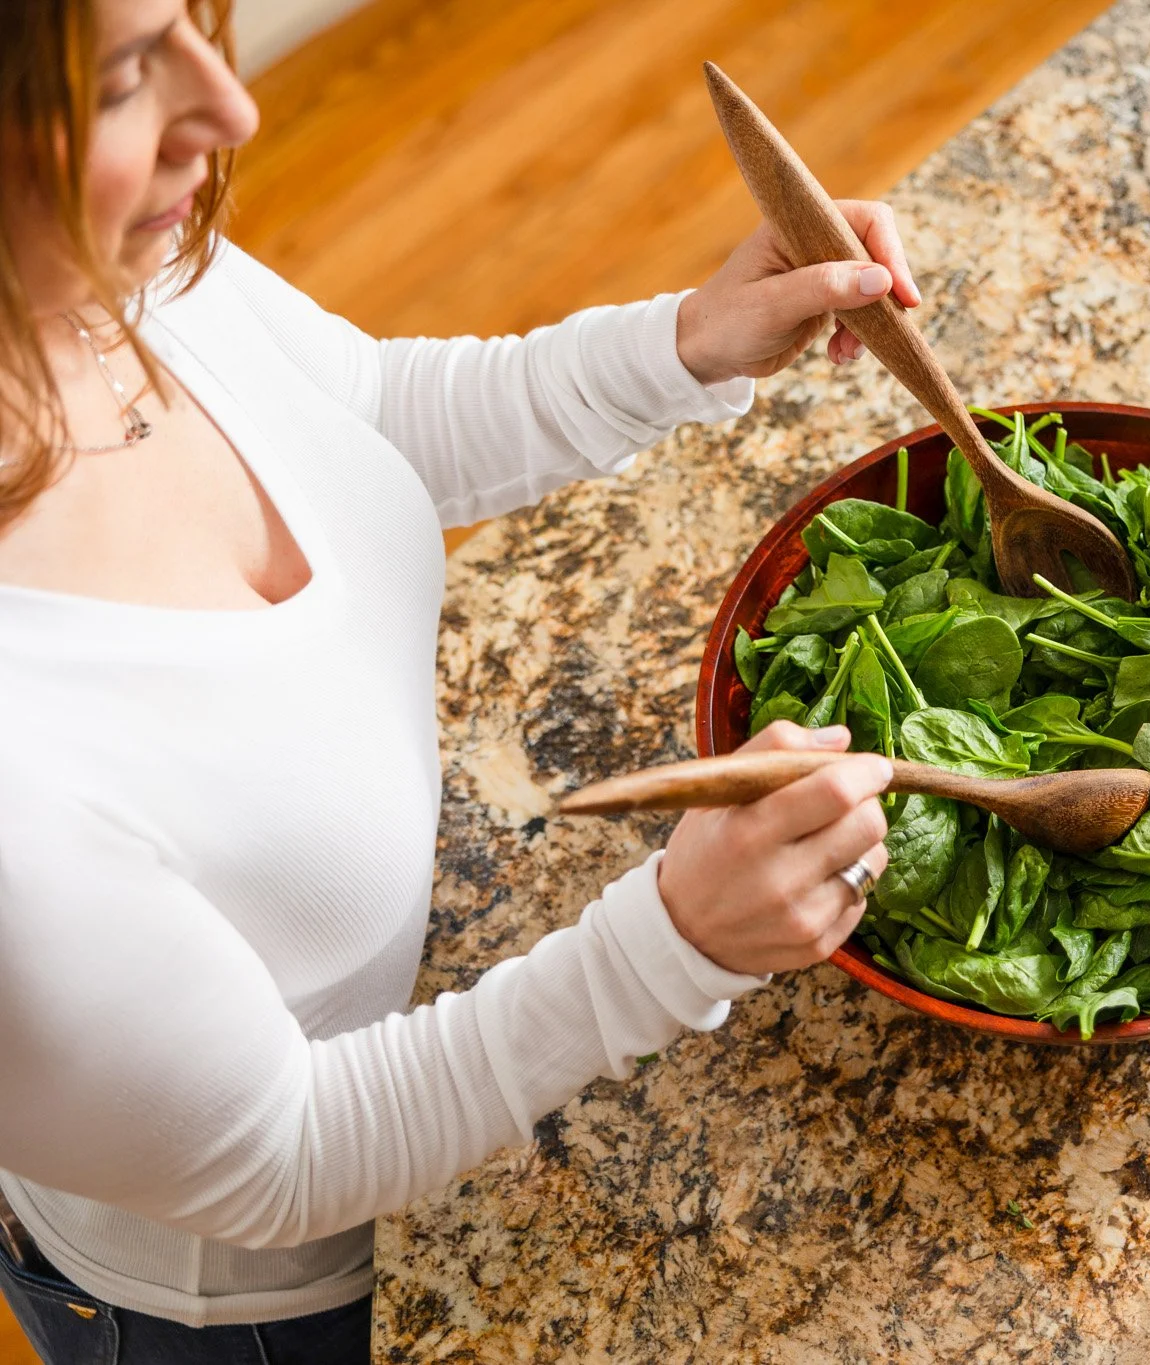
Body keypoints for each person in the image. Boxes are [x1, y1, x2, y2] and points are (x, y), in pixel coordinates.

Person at [0, 0, 915, 1358]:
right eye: (131, 75)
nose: (234, 108)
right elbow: (280, 1159)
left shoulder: (87, 266)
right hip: (257, 1300)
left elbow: (361, 416)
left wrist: (689, 340)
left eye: (201, 20)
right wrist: (672, 944)